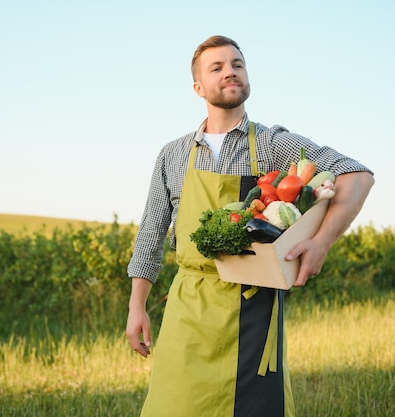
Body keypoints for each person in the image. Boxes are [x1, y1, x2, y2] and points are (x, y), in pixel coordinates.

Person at [126, 35, 374, 417]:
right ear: (198, 87)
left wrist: (321, 242)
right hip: (188, 309)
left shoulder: (274, 145)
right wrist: (137, 305)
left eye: (237, 64)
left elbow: (356, 176)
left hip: (253, 313)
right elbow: (151, 233)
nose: (230, 72)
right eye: (217, 67)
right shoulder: (172, 154)